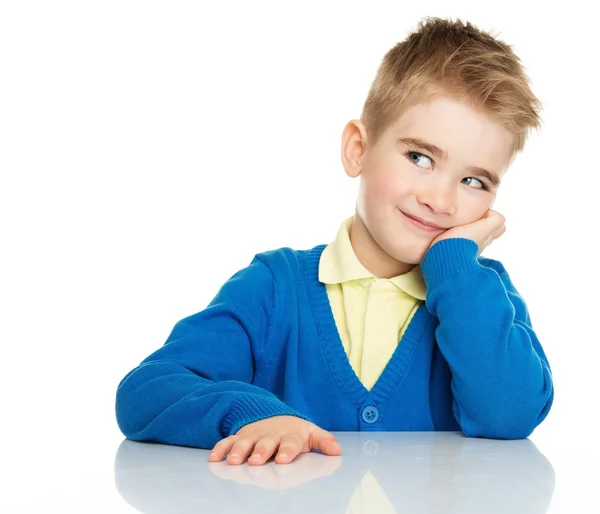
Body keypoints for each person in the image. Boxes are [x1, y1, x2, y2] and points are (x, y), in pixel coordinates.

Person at [115, 17, 554, 467]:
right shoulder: (274, 287)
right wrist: (252, 416)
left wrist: (455, 266)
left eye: (473, 181)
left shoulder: (484, 296)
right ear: (357, 150)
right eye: (419, 157)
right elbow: (147, 390)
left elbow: (512, 414)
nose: (440, 200)